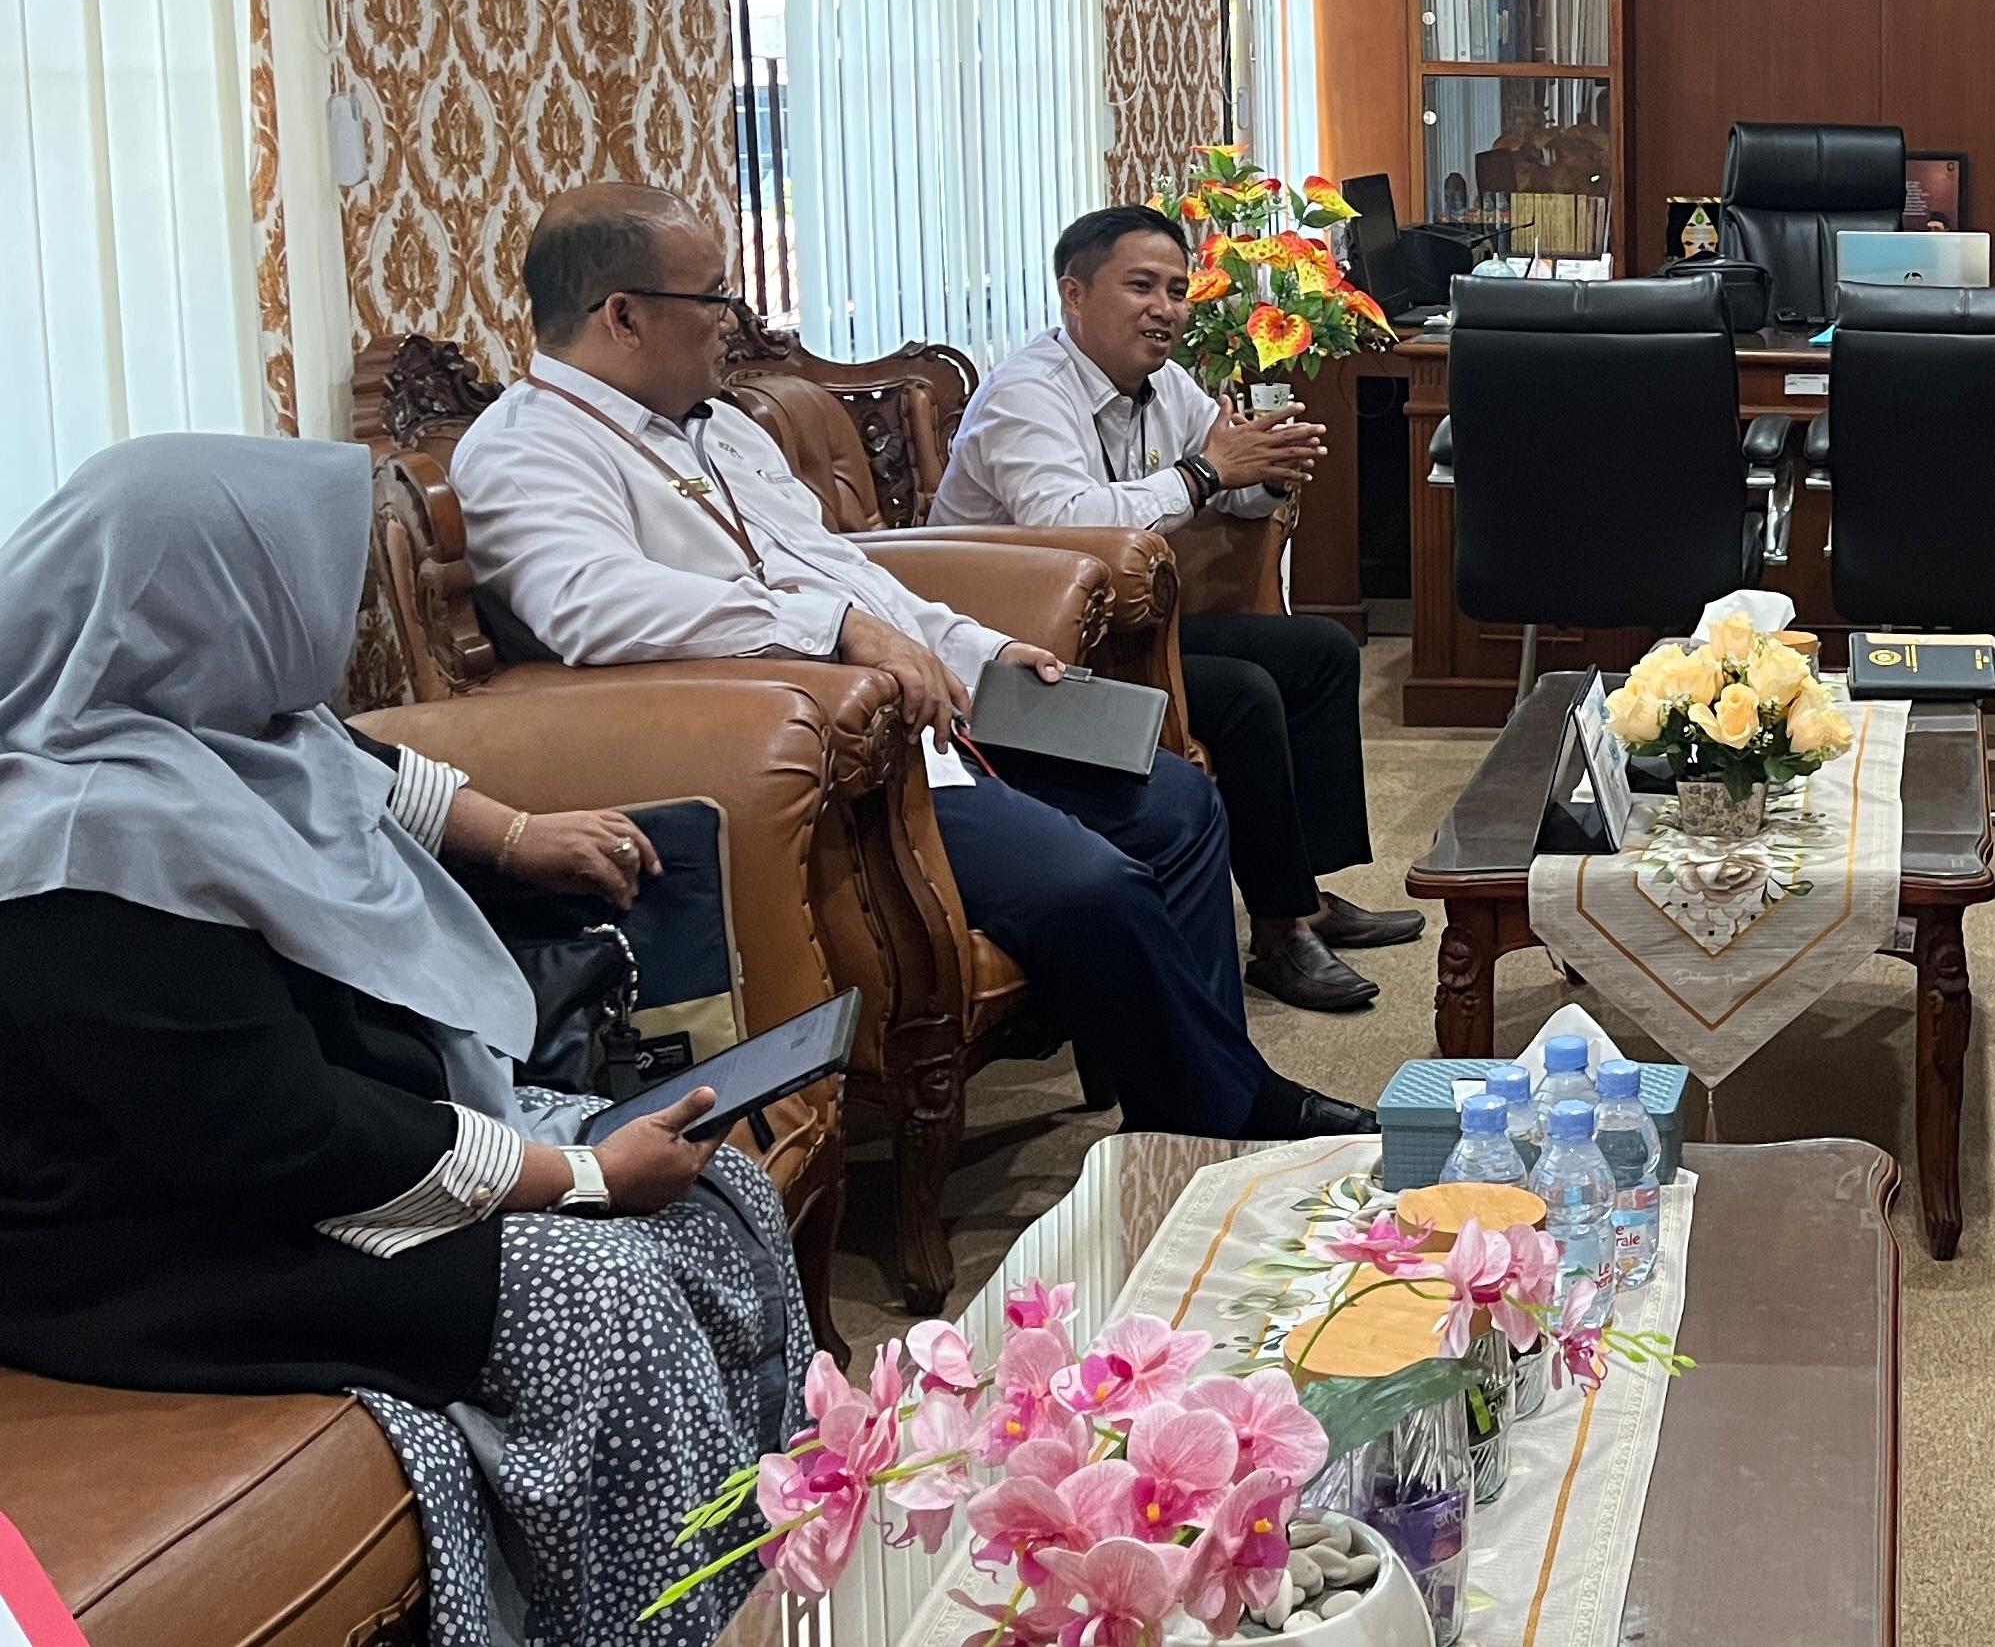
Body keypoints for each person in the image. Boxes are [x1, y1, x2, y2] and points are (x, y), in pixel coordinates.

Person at [0, 434, 802, 1647]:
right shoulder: (81, 843)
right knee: (602, 1302)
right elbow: (282, 1141)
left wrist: (518, 833)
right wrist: (583, 1178)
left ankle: (787, 1563)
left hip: (284, 1160)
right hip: (148, 1242)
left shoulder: (203, 724)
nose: (329, 625)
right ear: (213, 604)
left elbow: (357, 768)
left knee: (720, 1191)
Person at [449, 183, 1370, 1143]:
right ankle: (1225, 1111)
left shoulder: (719, 426)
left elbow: (847, 569)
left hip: (923, 703)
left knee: (1175, 797)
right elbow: (593, 607)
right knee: (1094, 885)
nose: (736, 320)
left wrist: (983, 648)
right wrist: (838, 630)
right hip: (817, 750)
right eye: (715, 296)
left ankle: (1199, 1097)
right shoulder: (527, 448)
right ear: (624, 315)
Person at [934, 204, 1419, 1018]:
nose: (1165, 309)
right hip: (1015, 676)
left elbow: (1226, 482)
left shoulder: (1165, 385)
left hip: (1120, 638)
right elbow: (1066, 524)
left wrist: (1268, 470)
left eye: (1176, 290)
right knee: (1239, 693)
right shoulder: (1024, 395)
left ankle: (1306, 892)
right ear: (1075, 295)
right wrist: (1206, 472)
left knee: (1319, 651)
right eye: (1141, 287)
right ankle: (1277, 932)